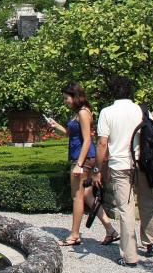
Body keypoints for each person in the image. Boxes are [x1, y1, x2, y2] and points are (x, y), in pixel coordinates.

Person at [92, 76, 153, 267]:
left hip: (120, 165)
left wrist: (98, 169)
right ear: (130, 91)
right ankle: (150, 243)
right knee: (147, 203)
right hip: (143, 164)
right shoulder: (142, 110)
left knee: (125, 209)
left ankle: (129, 257)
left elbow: (103, 143)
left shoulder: (107, 112)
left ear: (112, 92)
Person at [46, 83, 117, 247]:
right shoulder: (78, 113)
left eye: (66, 98)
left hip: (83, 159)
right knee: (87, 195)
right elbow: (72, 134)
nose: (65, 101)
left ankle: (75, 235)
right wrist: (57, 126)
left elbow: (87, 141)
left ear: (75, 96)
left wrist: (79, 164)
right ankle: (111, 230)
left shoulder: (84, 113)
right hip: (82, 158)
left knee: (77, 197)